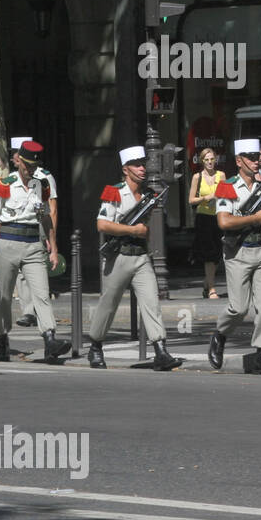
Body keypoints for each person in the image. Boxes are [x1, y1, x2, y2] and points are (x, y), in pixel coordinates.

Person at [87, 146, 183, 371]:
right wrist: (132, 231)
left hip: (140, 256)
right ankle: (96, 346)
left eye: (143, 164)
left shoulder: (148, 193)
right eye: (137, 165)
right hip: (118, 256)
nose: (142, 168)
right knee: (108, 305)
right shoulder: (114, 191)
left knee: (152, 303)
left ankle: (160, 350)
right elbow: (102, 224)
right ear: (125, 169)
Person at [0, 140, 70, 363]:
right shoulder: (3, 184)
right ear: (19, 162)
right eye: (27, 165)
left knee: (42, 294)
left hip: (33, 244)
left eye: (34, 166)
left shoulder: (40, 185)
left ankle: (50, 339)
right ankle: (3, 338)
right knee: (3, 297)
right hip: (8, 244)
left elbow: (45, 217)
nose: (30, 170)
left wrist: (53, 247)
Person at [209, 138, 261, 374]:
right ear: (238, 161)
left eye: (257, 157)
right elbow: (224, 221)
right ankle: (220, 335)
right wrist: (254, 219)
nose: (256, 161)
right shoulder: (227, 187)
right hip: (238, 252)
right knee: (238, 308)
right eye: (250, 158)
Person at [2, 135, 56, 327]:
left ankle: (47, 329)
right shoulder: (9, 181)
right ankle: (27, 312)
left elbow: (51, 210)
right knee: (18, 278)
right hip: (12, 236)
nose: (14, 158)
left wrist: (52, 239)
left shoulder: (43, 179)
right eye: (14, 154)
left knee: (37, 277)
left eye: (16, 154)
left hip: (37, 230)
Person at [188, 147, 224, 298]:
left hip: (218, 216)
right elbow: (191, 200)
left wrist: (219, 196)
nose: (210, 162)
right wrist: (205, 198)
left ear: (216, 159)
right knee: (208, 254)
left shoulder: (221, 175)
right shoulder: (197, 177)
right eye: (206, 160)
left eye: (212, 159)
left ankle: (206, 283)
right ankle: (212, 289)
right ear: (202, 161)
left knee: (217, 254)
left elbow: (225, 194)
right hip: (203, 218)